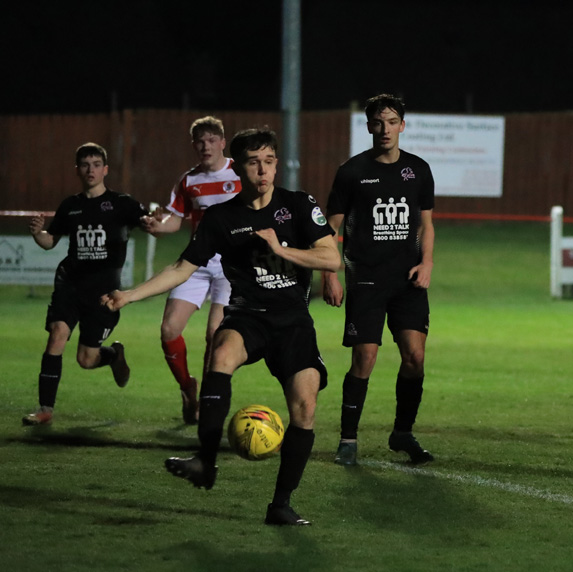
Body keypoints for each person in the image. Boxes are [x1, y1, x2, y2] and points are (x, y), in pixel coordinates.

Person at [103, 128, 340, 526]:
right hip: (248, 314)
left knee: (305, 407)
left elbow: (331, 258)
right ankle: (205, 461)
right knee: (222, 351)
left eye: (269, 161)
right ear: (239, 168)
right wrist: (130, 295)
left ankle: (280, 505)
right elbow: (181, 268)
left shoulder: (298, 205)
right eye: (253, 162)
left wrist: (280, 249)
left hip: (293, 321)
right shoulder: (221, 218)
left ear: (276, 165)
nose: (263, 170)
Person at [321, 94, 436, 466]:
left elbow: (427, 224)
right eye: (377, 122)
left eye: (391, 122)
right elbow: (330, 229)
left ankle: (402, 433)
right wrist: (329, 274)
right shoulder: (351, 172)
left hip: (407, 281)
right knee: (365, 358)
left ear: (402, 125)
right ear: (369, 126)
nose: (385, 129)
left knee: (415, 357)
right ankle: (348, 440)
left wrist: (427, 262)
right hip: (366, 280)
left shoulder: (418, 170)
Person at [22, 143, 146, 426]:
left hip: (104, 294)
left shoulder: (121, 203)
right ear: (77, 170)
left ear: (105, 169)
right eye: (85, 165)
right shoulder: (70, 206)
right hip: (70, 284)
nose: (91, 170)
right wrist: (38, 233)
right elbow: (50, 242)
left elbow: (150, 223)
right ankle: (45, 410)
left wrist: (155, 223)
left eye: (96, 164)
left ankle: (113, 356)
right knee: (57, 335)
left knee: (86, 360)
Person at [142, 116, 241, 425]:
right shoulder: (189, 180)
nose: (205, 146)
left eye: (211, 140)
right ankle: (188, 388)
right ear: (194, 146)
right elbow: (174, 220)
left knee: (215, 334)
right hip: (197, 262)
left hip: (232, 266)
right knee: (169, 329)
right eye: (200, 141)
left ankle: (209, 403)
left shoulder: (241, 173)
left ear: (223, 142)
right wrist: (157, 226)